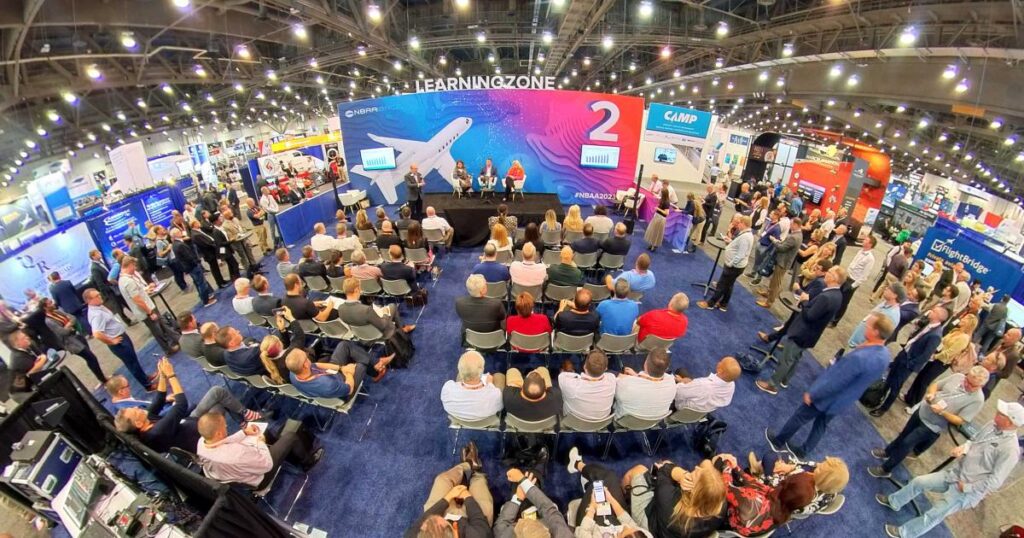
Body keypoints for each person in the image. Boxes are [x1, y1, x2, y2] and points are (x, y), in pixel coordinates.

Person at [877, 400, 1023, 538]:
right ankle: (894, 501)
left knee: (934, 514)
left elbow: (995, 481)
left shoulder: (1010, 450)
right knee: (919, 482)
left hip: (966, 491)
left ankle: (905, 533)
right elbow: (974, 440)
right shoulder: (992, 425)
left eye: (1001, 414)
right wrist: (964, 448)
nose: (996, 413)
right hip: (954, 473)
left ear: (1010, 422)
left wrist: (967, 487)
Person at [767, 314, 893, 458]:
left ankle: (778, 441)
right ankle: (803, 451)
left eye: (868, 325)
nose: (865, 326)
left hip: (828, 397)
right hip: (844, 401)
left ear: (876, 332)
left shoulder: (859, 358)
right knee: (821, 425)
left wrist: (813, 394)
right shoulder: (885, 356)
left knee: (800, 416)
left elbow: (836, 381)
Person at [115, 358, 264, 453]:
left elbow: (159, 398)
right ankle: (243, 425)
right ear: (139, 423)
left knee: (217, 392)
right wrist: (172, 376)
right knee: (219, 403)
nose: (136, 408)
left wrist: (162, 375)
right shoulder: (156, 432)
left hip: (188, 422)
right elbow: (181, 404)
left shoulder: (146, 421)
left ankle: (245, 418)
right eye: (134, 411)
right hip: (197, 435)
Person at [869, 366, 988, 478]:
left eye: (972, 385)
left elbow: (960, 420)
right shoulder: (958, 377)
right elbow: (936, 385)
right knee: (904, 434)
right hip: (923, 411)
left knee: (907, 444)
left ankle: (886, 469)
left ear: (980, 386)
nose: (967, 385)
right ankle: (887, 451)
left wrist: (942, 412)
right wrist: (931, 394)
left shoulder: (977, 400)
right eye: (967, 380)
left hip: (933, 426)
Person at [756, 266, 846, 395]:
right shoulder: (838, 295)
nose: (827, 273)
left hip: (802, 332)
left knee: (786, 359)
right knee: (795, 358)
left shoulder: (826, 296)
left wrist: (804, 301)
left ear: (835, 278)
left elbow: (809, 316)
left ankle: (772, 385)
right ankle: (785, 380)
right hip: (811, 335)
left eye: (830, 272)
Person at [196, 413, 322, 488]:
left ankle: (284, 451)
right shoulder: (236, 454)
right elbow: (266, 465)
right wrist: (260, 442)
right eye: (224, 426)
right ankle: (308, 462)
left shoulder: (202, 442)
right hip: (260, 477)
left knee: (262, 431)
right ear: (218, 433)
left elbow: (224, 441)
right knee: (290, 437)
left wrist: (244, 432)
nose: (227, 426)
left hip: (232, 474)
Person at [871, 305, 948, 416]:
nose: (931, 311)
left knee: (895, 386)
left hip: (908, 363)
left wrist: (909, 364)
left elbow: (925, 356)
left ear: (939, 316)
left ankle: (883, 408)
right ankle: (877, 398)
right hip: (904, 354)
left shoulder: (936, 335)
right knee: (889, 378)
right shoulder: (928, 324)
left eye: (934, 311)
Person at [619, 458, 725, 538]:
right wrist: (721, 457)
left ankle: (624, 499)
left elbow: (664, 470)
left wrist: (682, 475)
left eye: (696, 474)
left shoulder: (668, 503)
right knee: (669, 465)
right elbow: (706, 463)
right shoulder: (720, 507)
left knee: (638, 470)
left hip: (651, 524)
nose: (696, 468)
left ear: (692, 490)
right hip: (674, 527)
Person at [404, 442, 493, 536]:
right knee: (484, 501)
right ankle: (477, 473)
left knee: (442, 480)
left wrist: (447, 497)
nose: (427, 519)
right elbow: (479, 520)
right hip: (471, 526)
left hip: (448, 522)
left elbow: (426, 517)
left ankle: (468, 465)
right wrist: (468, 497)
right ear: (454, 527)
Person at [718, 455, 817, 536]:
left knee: (715, 465)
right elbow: (754, 484)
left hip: (728, 520)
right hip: (750, 521)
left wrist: (727, 463)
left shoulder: (754, 503)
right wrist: (736, 468)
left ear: (786, 483)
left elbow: (725, 487)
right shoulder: (783, 505)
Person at [84, 288, 153, 389]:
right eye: (97, 296)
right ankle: (148, 386)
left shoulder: (99, 307)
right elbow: (97, 334)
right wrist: (112, 341)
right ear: (89, 300)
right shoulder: (96, 314)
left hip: (121, 336)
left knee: (133, 360)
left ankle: (145, 378)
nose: (100, 297)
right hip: (118, 342)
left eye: (99, 294)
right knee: (132, 364)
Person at [904, 314, 978, 406]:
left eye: (966, 319)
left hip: (941, 362)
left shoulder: (964, 338)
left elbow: (950, 352)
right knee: (920, 376)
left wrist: (936, 356)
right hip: (935, 356)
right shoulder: (956, 331)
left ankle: (915, 404)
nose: (962, 319)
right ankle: (909, 397)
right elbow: (943, 340)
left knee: (924, 381)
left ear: (969, 324)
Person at [748, 454, 850, 517]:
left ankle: (756, 474)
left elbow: (780, 491)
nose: (818, 465)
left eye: (820, 468)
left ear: (823, 480)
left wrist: (775, 474)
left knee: (769, 457)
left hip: (776, 498)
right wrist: (791, 467)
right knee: (775, 458)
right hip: (788, 482)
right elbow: (807, 464)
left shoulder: (804, 490)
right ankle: (759, 469)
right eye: (821, 463)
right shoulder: (830, 485)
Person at [118, 256, 179, 354]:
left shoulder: (123, 280)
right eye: (134, 265)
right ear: (129, 265)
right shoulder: (128, 282)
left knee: (162, 324)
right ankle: (168, 349)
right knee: (157, 331)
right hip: (146, 311)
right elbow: (137, 299)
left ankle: (175, 339)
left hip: (147, 308)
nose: (135, 268)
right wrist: (150, 312)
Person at [41, 298, 106, 384]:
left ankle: (101, 378)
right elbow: (62, 332)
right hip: (71, 343)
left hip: (78, 336)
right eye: (49, 303)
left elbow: (73, 318)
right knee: (91, 357)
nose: (52, 304)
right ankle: (103, 380)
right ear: (45, 307)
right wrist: (69, 326)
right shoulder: (49, 321)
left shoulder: (57, 311)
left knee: (90, 358)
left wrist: (68, 324)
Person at [493, 467, 572, 538]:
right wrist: (523, 481)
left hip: (519, 511)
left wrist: (517, 497)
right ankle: (538, 466)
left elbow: (500, 527)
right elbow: (551, 512)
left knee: (518, 487)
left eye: (519, 524)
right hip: (546, 521)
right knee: (535, 479)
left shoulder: (504, 535)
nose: (520, 521)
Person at [699, 215, 753, 312]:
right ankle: (724, 304)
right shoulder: (747, 234)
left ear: (744, 224)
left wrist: (730, 264)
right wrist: (732, 242)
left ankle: (711, 303)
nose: (738, 224)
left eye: (739, 222)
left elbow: (740, 255)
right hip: (737, 266)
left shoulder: (745, 237)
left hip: (734, 267)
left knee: (722, 285)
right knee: (729, 285)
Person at [338, 277, 415, 337]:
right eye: (360, 288)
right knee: (392, 306)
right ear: (356, 290)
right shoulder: (366, 310)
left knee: (380, 309)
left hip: (362, 336)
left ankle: (401, 329)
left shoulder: (340, 309)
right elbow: (383, 325)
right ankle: (401, 331)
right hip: (377, 333)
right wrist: (384, 313)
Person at [440, 351, 504, 421]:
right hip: (486, 420)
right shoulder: (494, 395)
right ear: (482, 370)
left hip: (459, 418)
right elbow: (500, 407)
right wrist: (490, 384)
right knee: (499, 377)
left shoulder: (447, 389)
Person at [614, 349, 676, 419]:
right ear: (666, 368)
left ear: (645, 364)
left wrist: (629, 378)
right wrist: (637, 376)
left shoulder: (627, 384)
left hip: (624, 420)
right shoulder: (671, 382)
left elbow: (614, 389)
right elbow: (652, 383)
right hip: (654, 420)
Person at [286, 347, 368, 399]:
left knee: (344, 346)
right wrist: (348, 373)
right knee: (361, 365)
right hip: (342, 388)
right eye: (306, 356)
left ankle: (375, 366)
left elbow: (316, 365)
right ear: (305, 365)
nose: (308, 355)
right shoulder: (326, 384)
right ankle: (376, 369)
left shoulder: (293, 372)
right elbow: (349, 389)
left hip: (331, 375)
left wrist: (341, 368)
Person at [757, 217, 802, 309]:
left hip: (783, 263)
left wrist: (774, 240)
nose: (790, 226)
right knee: (774, 280)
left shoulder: (794, 237)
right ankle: (769, 294)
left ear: (796, 225)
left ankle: (769, 302)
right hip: (783, 261)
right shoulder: (798, 234)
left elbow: (782, 248)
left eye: (791, 224)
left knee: (776, 282)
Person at [558, 350, 616, 421]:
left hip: (572, 422)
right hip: (600, 424)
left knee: (567, 363)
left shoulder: (571, 385)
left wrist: (571, 370)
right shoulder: (611, 380)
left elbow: (562, 375)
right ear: (606, 368)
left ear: (584, 367)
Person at [832, 234, 877, 325]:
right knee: (837, 296)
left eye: (866, 240)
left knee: (844, 302)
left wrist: (853, 286)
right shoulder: (860, 251)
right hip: (846, 276)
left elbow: (864, 276)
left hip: (852, 281)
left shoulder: (870, 258)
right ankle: (831, 315)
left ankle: (835, 321)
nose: (863, 241)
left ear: (870, 244)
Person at [673, 356, 741, 413]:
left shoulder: (704, 385)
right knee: (683, 374)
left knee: (680, 371)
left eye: (721, 362)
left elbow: (678, 392)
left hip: (683, 408)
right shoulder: (731, 385)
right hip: (701, 410)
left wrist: (681, 381)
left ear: (720, 371)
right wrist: (691, 383)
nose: (719, 362)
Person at [847, 282, 905, 348]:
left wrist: (860, 348)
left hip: (860, 347)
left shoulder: (892, 316)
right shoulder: (885, 303)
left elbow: (878, 337)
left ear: (895, 295)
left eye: (889, 288)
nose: (886, 288)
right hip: (856, 341)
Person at [171, 229, 216, 307]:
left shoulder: (175, 244)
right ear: (176, 234)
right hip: (193, 266)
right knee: (201, 283)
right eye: (179, 232)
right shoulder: (180, 245)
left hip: (189, 267)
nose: (181, 232)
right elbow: (189, 256)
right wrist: (197, 262)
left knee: (198, 282)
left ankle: (204, 297)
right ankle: (206, 300)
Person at [88, 249, 133, 325]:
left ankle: (134, 313)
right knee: (118, 306)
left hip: (114, 287)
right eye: (98, 253)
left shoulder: (101, 262)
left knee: (124, 301)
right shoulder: (94, 268)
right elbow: (100, 283)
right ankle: (127, 321)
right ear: (93, 256)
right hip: (110, 291)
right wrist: (109, 289)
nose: (100, 253)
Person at [3, 330, 50, 397]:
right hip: (20, 392)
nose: (27, 338)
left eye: (25, 336)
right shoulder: (18, 357)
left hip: (27, 382)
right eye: (23, 338)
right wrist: (43, 358)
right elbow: (33, 372)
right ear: (17, 344)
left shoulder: (27, 346)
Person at [190, 220, 228, 288]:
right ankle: (220, 283)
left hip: (211, 252)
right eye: (198, 222)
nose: (199, 223)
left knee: (216, 268)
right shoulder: (196, 234)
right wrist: (215, 245)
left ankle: (222, 280)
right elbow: (206, 244)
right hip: (209, 254)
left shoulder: (198, 231)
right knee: (214, 269)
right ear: (194, 224)